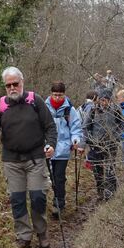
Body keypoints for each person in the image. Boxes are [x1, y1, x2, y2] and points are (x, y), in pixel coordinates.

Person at [0, 67, 57, 248]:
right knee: (17, 200)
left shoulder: (35, 101)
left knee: (38, 197)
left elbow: (50, 126)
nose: (12, 88)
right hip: (12, 160)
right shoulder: (1, 105)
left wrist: (51, 145)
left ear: (22, 83)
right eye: (8, 85)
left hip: (36, 158)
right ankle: (23, 236)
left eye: (15, 84)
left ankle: (41, 233)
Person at [45, 81, 84, 218]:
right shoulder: (44, 107)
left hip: (63, 149)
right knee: (51, 177)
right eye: (55, 95)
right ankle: (55, 199)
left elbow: (76, 128)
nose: (57, 98)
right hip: (48, 148)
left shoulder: (70, 110)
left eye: (60, 95)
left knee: (59, 177)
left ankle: (59, 204)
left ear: (64, 94)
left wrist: (76, 141)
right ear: (51, 94)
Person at [83, 88, 124, 201]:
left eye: (106, 100)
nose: (104, 102)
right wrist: (89, 139)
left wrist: (116, 135)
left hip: (111, 144)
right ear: (99, 100)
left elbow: (122, 123)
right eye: (102, 100)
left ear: (110, 100)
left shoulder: (116, 109)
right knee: (97, 169)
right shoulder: (93, 110)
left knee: (110, 168)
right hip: (96, 145)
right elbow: (85, 127)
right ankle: (100, 191)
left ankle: (111, 192)